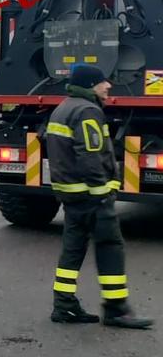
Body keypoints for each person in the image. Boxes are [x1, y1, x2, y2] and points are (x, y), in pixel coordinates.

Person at [45, 63, 151, 328]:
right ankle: (116, 309)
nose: (109, 86)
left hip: (72, 195)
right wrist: (103, 194)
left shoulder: (64, 108)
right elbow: (91, 156)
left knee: (73, 249)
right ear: (92, 84)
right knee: (110, 247)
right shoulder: (87, 111)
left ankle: (64, 305)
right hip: (92, 196)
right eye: (104, 81)